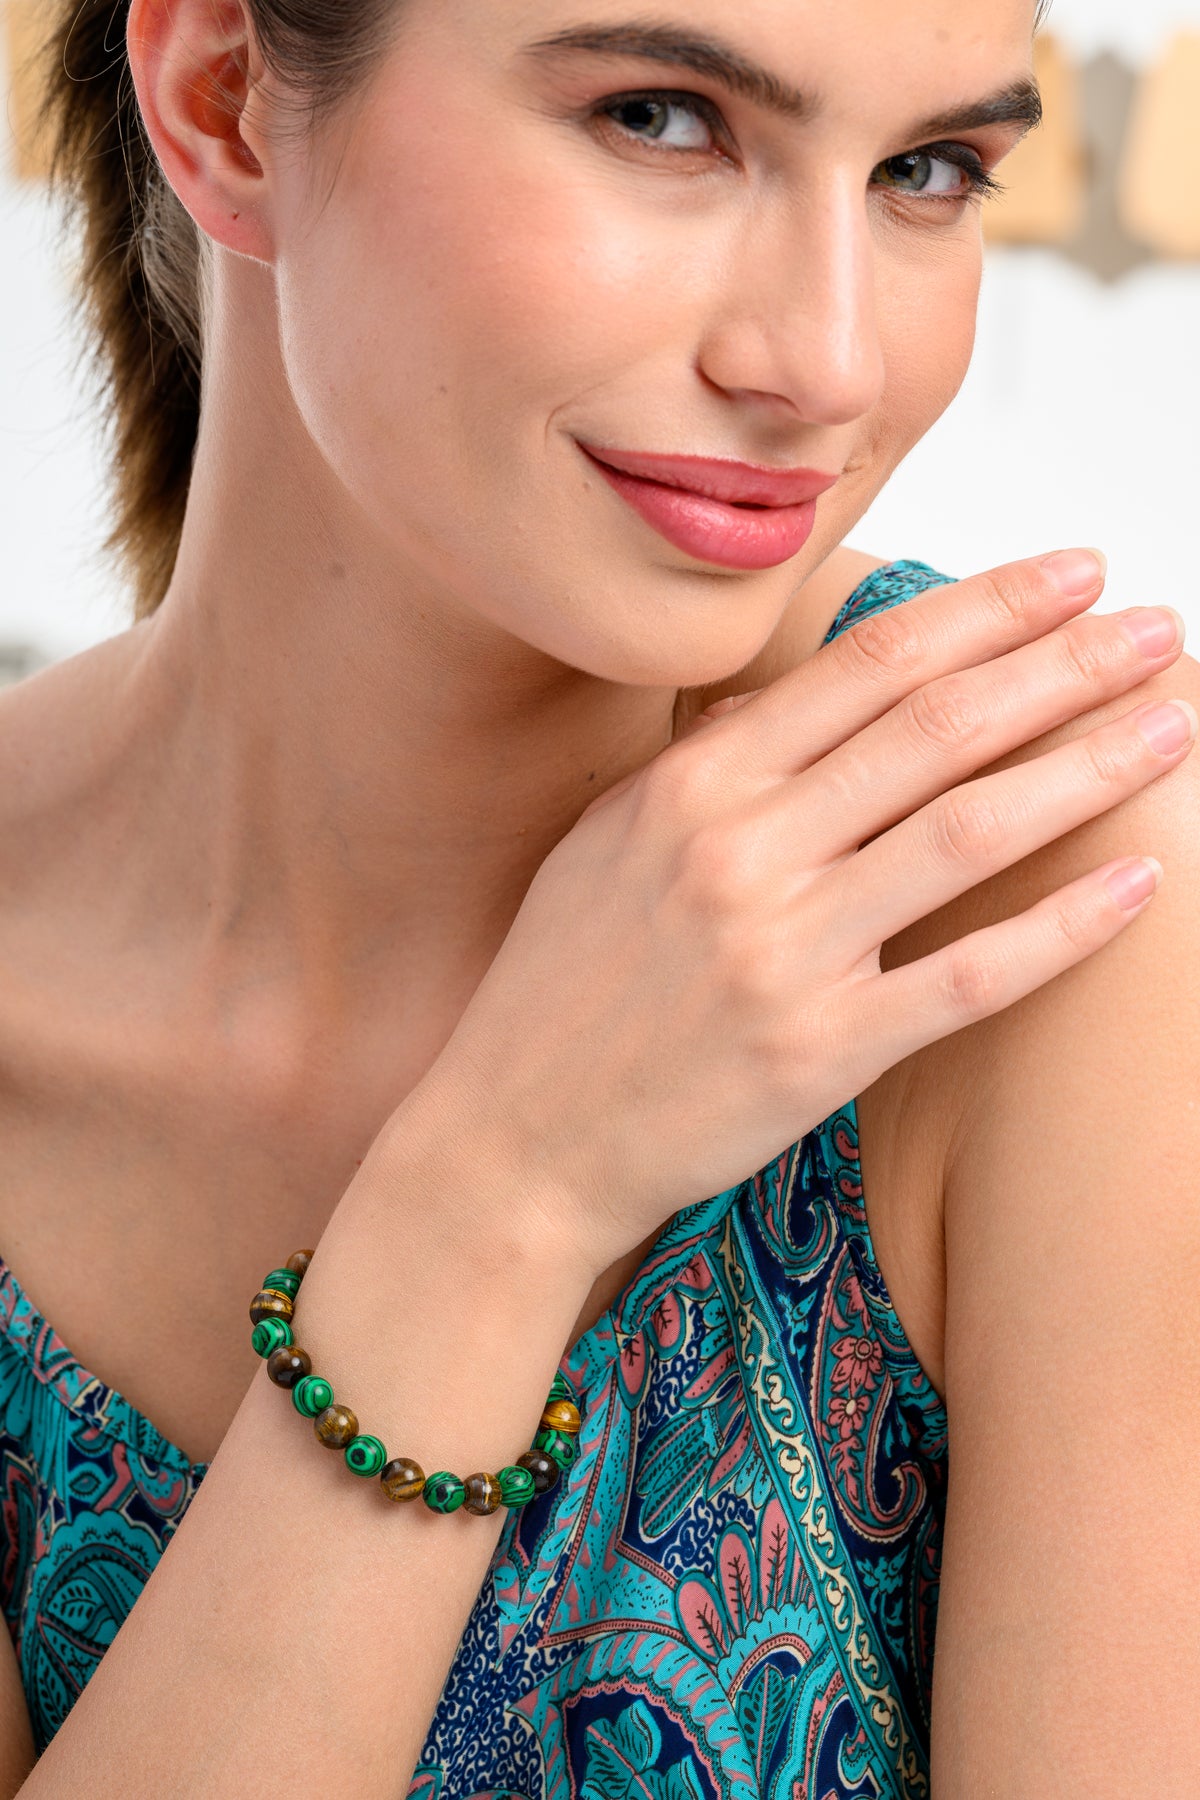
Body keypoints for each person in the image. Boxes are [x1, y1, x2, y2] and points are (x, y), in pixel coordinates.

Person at [0, 0, 1196, 1792]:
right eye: (660, 118)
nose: (830, 359)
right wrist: (499, 1191)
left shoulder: (1037, 886)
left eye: (928, 170)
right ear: (226, 100)